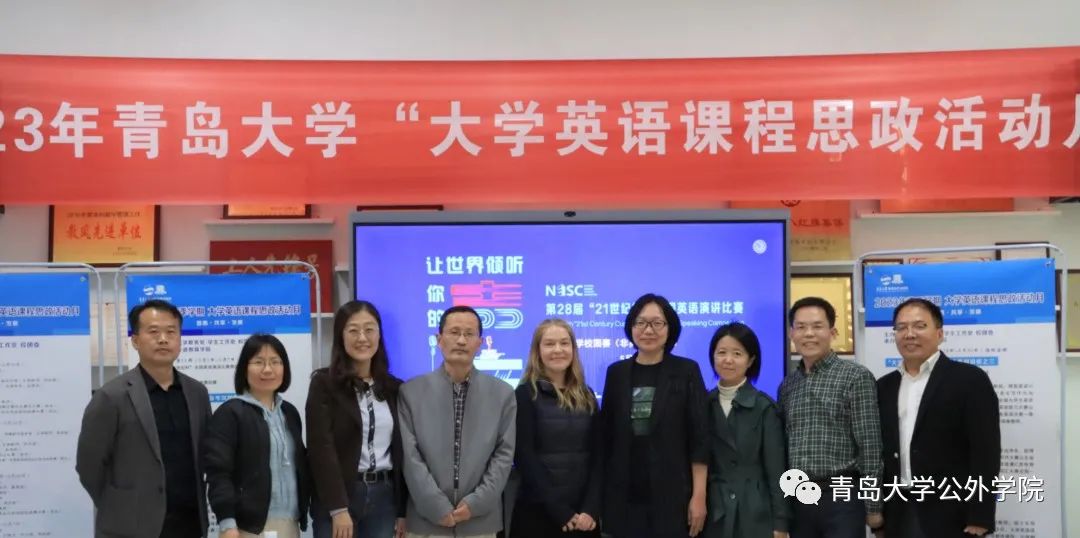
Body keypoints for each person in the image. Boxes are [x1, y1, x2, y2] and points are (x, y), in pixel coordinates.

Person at [76, 299, 212, 538]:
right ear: (135, 340)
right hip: (131, 528)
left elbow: (204, 455)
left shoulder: (196, 393)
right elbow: (89, 466)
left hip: (189, 523)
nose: (163, 339)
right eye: (154, 332)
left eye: (171, 332)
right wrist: (119, 504)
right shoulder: (111, 396)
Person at [876, 298, 1000, 538]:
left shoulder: (969, 380)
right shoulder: (884, 386)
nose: (909, 334)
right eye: (901, 328)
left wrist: (980, 515)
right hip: (898, 510)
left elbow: (986, 451)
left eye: (919, 326)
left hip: (952, 512)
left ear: (940, 334)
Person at [398, 305, 516, 538]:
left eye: (469, 334)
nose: (461, 340)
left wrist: (476, 504)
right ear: (439, 339)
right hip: (426, 521)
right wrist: (434, 505)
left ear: (479, 343)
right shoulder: (411, 392)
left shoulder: (502, 394)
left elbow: (504, 456)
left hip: (480, 521)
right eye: (454, 332)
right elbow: (410, 457)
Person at [598, 293, 709, 538]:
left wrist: (699, 496)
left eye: (657, 323)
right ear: (631, 327)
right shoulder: (616, 373)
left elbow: (699, 439)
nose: (648, 330)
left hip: (673, 497)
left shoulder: (687, 371)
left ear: (670, 328)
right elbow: (606, 438)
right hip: (623, 497)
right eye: (641, 322)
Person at [777, 297, 882, 538]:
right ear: (791, 334)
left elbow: (870, 447)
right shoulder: (787, 385)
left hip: (842, 496)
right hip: (799, 497)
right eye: (801, 327)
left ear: (832, 332)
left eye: (817, 326)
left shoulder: (855, 377)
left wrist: (873, 506)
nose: (809, 334)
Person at [307, 300, 408, 538]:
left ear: (379, 335)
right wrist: (338, 508)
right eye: (353, 330)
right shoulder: (324, 384)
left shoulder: (394, 388)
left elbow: (401, 452)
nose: (362, 337)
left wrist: (402, 510)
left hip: (384, 498)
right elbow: (321, 448)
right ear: (340, 336)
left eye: (369, 329)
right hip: (340, 496)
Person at [203, 333, 311, 538]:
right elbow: (219, 473)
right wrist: (227, 523)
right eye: (259, 362)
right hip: (247, 528)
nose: (268, 369)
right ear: (244, 368)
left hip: (290, 524)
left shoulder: (290, 413)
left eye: (275, 362)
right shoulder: (230, 413)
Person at [511, 319, 601, 538]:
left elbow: (599, 456)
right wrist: (560, 511)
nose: (558, 350)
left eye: (564, 343)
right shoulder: (525, 395)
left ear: (573, 349)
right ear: (538, 351)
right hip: (538, 514)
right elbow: (525, 456)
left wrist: (590, 509)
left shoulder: (587, 395)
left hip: (583, 518)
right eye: (549, 344)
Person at [703, 322, 789, 538]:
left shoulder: (764, 407)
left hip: (755, 511)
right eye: (721, 352)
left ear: (750, 360)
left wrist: (781, 523)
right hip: (713, 510)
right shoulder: (702, 404)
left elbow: (776, 470)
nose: (728, 360)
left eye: (737, 353)